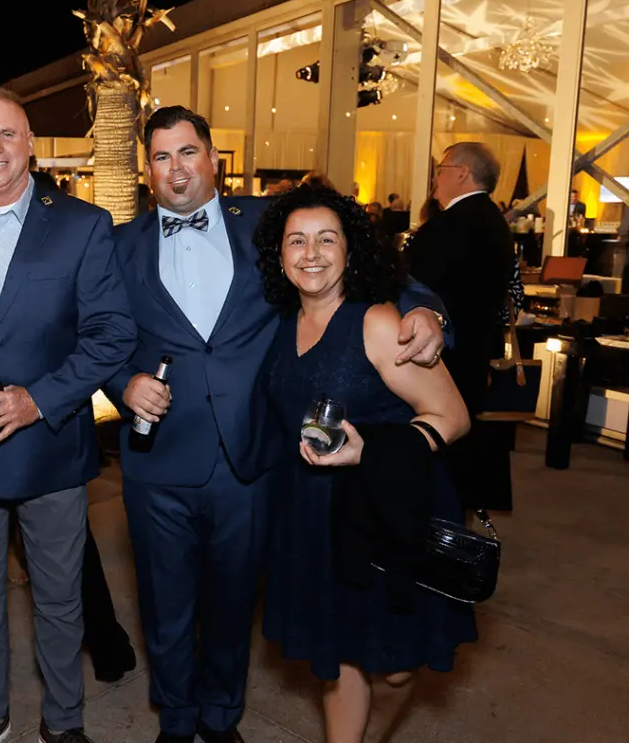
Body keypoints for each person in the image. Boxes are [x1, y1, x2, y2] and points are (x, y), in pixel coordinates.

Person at [108, 106, 446, 743]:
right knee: (166, 604)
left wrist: (427, 313)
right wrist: (122, 382)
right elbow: (100, 336)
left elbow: (380, 269)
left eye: (188, 153)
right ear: (146, 168)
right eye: (161, 156)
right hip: (159, 461)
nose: (176, 169)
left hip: (252, 456)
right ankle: (177, 723)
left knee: (236, 602)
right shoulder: (121, 246)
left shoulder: (273, 223)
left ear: (213, 158)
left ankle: (220, 717)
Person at [0, 88, 137, 743]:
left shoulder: (80, 225)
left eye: (7, 134)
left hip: (49, 446)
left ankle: (63, 720)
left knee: (60, 596)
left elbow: (111, 334)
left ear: (31, 144)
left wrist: (36, 399)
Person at [254, 183, 476, 743]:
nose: (312, 253)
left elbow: (451, 416)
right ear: (279, 256)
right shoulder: (282, 325)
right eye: (297, 241)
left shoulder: (376, 322)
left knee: (397, 664)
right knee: (340, 655)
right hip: (313, 516)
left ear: (350, 251)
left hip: (386, 513)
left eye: (327, 240)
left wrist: (370, 450)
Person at [405, 143, 516, 511]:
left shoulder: (450, 226)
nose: (436, 177)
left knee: (432, 450)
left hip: (437, 359)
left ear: (462, 173)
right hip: (473, 354)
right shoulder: (494, 221)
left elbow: (410, 287)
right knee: (458, 445)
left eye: (441, 168)